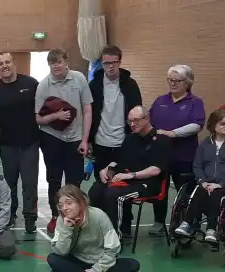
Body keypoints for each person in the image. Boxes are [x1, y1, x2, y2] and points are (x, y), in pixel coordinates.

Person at [35, 48, 93, 234]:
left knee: (74, 180)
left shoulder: (79, 79)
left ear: (66, 61)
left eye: (59, 62)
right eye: (52, 63)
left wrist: (85, 140)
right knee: (53, 178)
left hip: (75, 138)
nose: (55, 66)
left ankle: (75, 216)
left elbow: (88, 111)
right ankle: (56, 216)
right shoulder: (44, 85)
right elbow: (38, 119)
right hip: (52, 138)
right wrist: (56, 115)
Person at [91, 106, 171, 237]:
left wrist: (130, 175)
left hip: (149, 185)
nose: (132, 124)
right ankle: (102, 231)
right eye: (130, 121)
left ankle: (115, 237)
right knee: (96, 190)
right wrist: (106, 169)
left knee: (113, 194)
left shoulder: (162, 140)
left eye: (136, 120)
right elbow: (118, 160)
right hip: (128, 181)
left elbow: (156, 170)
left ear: (146, 118)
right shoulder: (130, 139)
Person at [174, 109, 225, 242]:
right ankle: (188, 223)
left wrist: (221, 183)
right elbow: (197, 165)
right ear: (213, 125)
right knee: (199, 190)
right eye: (223, 123)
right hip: (206, 182)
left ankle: (211, 228)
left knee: (215, 193)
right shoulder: (206, 143)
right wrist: (202, 181)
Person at [148, 64, 205, 236]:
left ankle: (187, 223)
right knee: (159, 190)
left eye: (177, 81)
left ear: (188, 82)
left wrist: (172, 133)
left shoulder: (195, 102)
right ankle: (159, 221)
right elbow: (150, 121)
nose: (173, 84)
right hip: (161, 155)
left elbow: (197, 125)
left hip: (184, 156)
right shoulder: (160, 101)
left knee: (186, 191)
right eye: (170, 80)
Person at [0, 51, 40, 233]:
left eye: (7, 62)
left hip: (30, 143)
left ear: (13, 63)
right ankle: (9, 216)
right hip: (7, 144)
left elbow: (42, 108)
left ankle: (30, 217)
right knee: (9, 183)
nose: (4, 66)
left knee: (29, 183)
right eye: (0, 63)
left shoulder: (31, 83)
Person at [88, 46, 143, 198]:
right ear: (102, 64)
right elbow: (88, 115)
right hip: (100, 143)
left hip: (123, 143)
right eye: (106, 63)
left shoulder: (131, 85)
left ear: (119, 62)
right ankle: (102, 219)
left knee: (121, 187)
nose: (110, 66)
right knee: (100, 186)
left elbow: (137, 113)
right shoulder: (94, 86)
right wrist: (89, 140)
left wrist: (135, 138)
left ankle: (124, 221)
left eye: (114, 62)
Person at [48, 185, 140, 272]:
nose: (64, 208)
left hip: (99, 261)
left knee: (132, 264)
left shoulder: (99, 215)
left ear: (81, 202)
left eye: (69, 203)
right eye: (61, 205)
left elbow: (113, 249)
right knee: (53, 258)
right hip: (76, 261)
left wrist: (96, 269)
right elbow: (61, 252)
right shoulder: (62, 219)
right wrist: (67, 229)